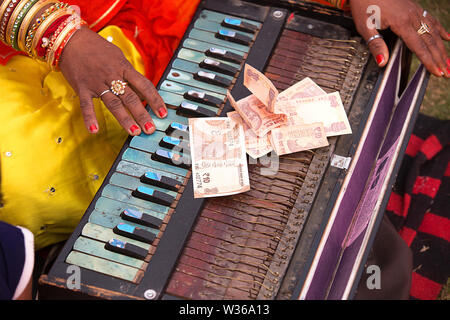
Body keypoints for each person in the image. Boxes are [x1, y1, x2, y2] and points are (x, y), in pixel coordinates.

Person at [0, 0, 448, 298]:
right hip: (29, 60)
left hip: (186, 16)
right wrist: (61, 37)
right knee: (24, 178)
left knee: (312, 194)